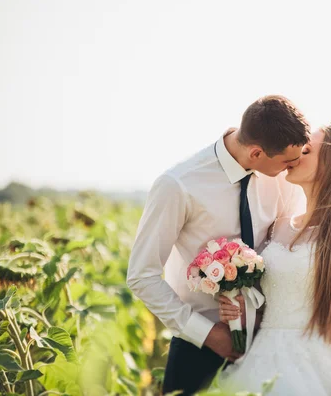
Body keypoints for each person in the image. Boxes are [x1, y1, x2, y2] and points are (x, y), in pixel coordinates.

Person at [126, 95, 310, 395]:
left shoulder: (281, 176)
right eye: (287, 162)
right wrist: (208, 334)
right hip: (201, 341)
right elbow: (141, 276)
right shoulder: (178, 185)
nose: (294, 167)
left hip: (271, 335)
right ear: (256, 153)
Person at [218, 121, 331, 396]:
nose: (293, 156)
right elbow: (271, 301)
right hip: (262, 358)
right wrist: (241, 310)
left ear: (329, 165)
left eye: (306, 151)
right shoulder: (278, 226)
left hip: (317, 363)